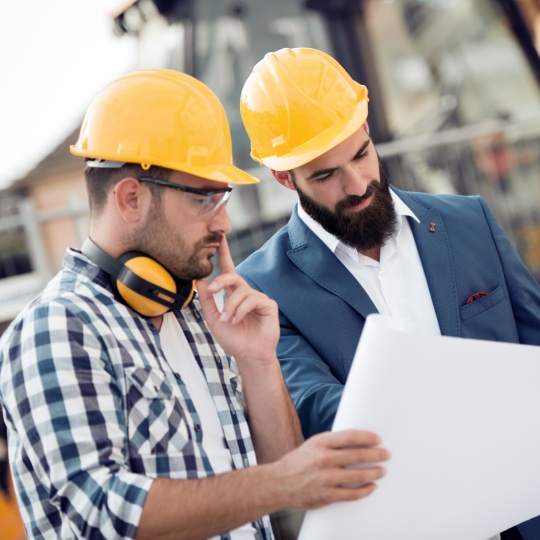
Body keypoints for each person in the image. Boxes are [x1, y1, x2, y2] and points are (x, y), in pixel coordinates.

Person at [0, 69, 390, 540]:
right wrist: (280, 483)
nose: (224, 222)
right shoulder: (58, 327)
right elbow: (100, 514)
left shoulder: (197, 311)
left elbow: (281, 477)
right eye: (206, 199)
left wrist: (258, 360)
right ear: (130, 198)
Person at [236, 48, 540, 540]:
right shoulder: (265, 290)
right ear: (283, 177)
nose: (357, 184)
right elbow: (321, 411)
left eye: (360, 154)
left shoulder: (471, 221)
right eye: (326, 174)